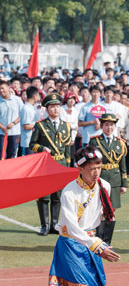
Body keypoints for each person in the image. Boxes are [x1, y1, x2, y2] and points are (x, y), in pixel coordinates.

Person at [48, 145, 121, 286]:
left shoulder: (103, 186)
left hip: (91, 244)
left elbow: (105, 217)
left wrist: (102, 243)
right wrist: (97, 246)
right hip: (71, 245)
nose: (96, 172)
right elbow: (72, 227)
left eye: (99, 167)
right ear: (80, 169)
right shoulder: (70, 192)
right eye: (91, 169)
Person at [30, 93, 72, 236]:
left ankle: (54, 225)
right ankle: (45, 225)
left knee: (57, 196)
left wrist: (67, 167)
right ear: (47, 109)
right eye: (52, 107)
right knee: (44, 196)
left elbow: (67, 149)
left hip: (60, 164)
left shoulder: (66, 126)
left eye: (57, 106)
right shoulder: (40, 125)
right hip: (45, 165)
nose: (55, 109)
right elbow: (32, 144)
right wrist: (42, 148)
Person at [89, 113, 128, 245]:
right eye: (106, 125)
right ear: (102, 126)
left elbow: (123, 165)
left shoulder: (120, 143)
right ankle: (98, 240)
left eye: (111, 125)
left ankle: (107, 242)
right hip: (100, 178)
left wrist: (124, 183)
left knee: (111, 211)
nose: (109, 127)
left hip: (115, 180)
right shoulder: (95, 142)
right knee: (99, 210)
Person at [0, 79, 23, 158]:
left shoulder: (17, 99)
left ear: (8, 88)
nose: (1, 91)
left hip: (14, 132)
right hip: (1, 133)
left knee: (12, 154)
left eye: (2, 88)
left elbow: (22, 114)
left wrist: (13, 123)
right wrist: (2, 127)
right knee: (1, 154)